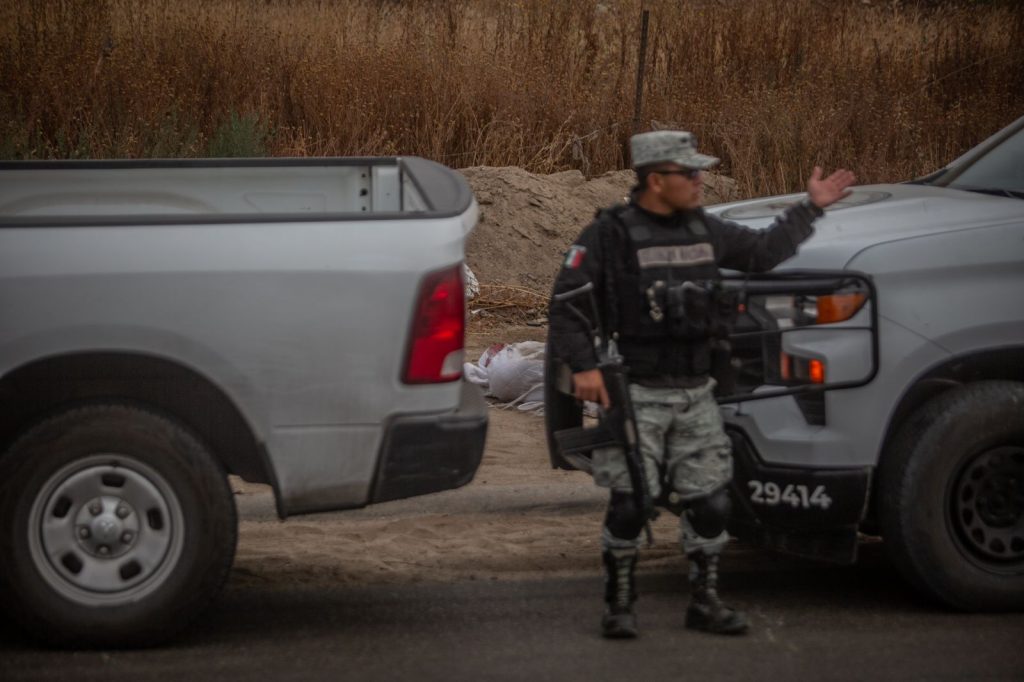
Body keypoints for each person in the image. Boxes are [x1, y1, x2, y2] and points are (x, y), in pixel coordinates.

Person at [547, 130, 855, 638]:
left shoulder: (704, 228)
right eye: (689, 173)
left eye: (699, 171)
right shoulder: (610, 234)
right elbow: (568, 307)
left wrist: (811, 207)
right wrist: (583, 367)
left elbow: (762, 253)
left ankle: (704, 601)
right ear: (655, 180)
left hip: (696, 391)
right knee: (631, 503)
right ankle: (619, 604)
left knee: (711, 502)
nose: (700, 180)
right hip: (638, 390)